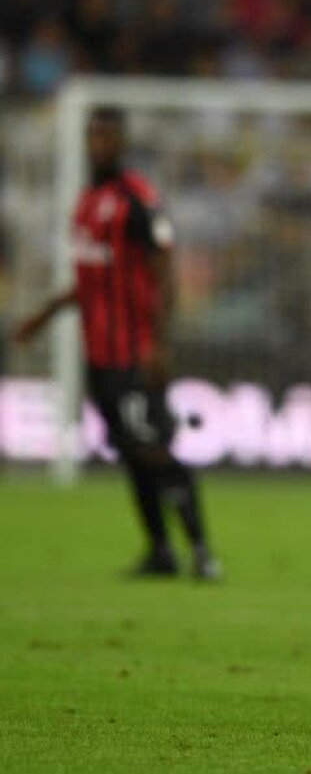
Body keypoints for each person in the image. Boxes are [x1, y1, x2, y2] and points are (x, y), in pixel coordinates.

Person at [13, 107, 219, 580]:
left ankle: (202, 552)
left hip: (134, 355)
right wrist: (44, 316)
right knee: (129, 453)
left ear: (122, 142)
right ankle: (160, 552)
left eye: (106, 137)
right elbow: (92, 280)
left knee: (153, 450)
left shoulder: (137, 199)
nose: (97, 145)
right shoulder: (87, 202)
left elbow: (164, 274)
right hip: (99, 355)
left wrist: (159, 344)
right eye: (92, 137)